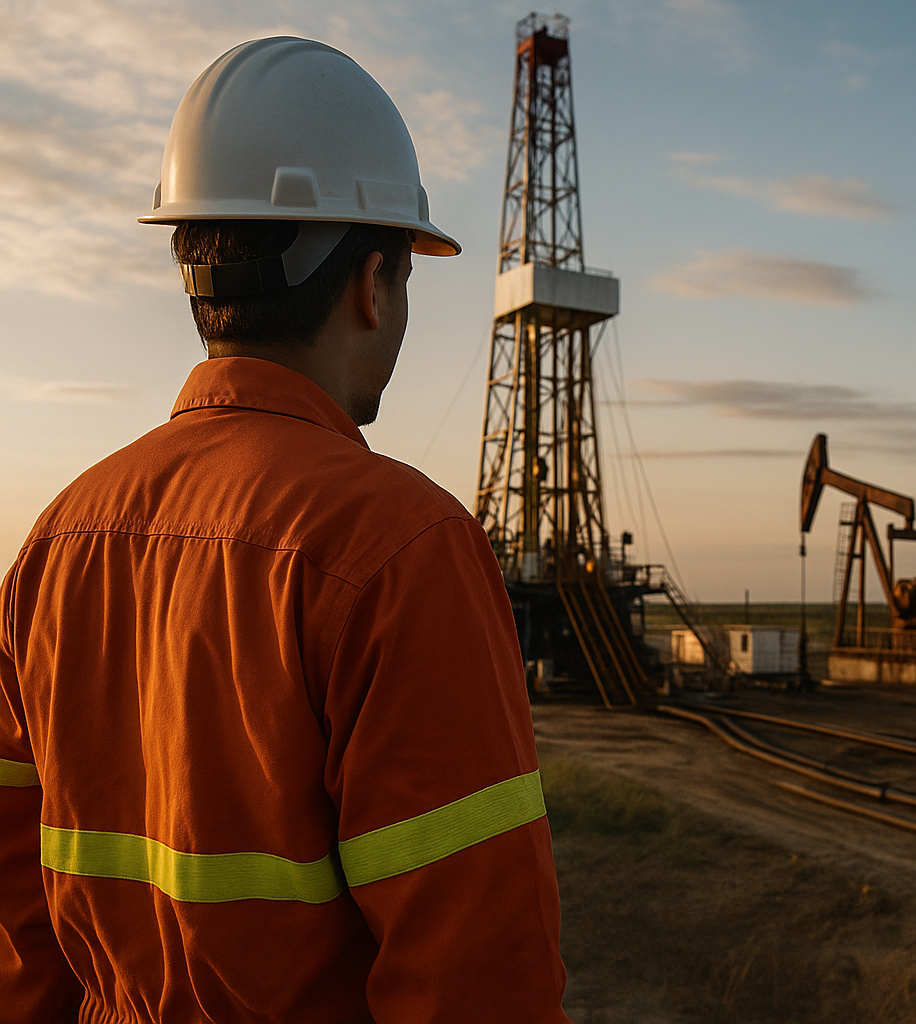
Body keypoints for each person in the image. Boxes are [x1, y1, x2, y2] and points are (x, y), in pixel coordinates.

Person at [0, 37, 569, 1023]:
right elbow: (478, 973)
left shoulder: (55, 545)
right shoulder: (400, 548)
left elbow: (18, 920)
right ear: (373, 284)